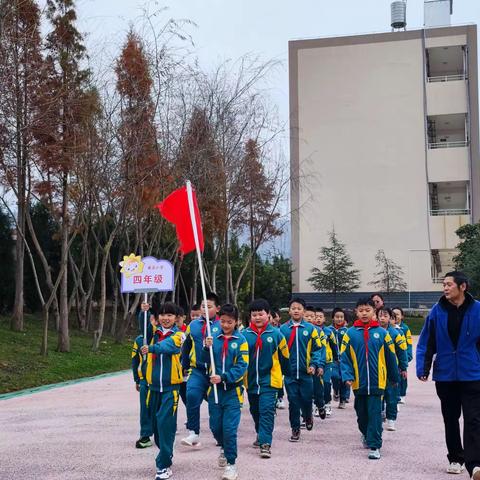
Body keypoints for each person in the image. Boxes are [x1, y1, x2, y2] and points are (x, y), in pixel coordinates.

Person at [416, 271, 480, 479]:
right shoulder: (437, 311)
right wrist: (423, 367)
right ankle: (455, 458)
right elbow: (427, 341)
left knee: (474, 418)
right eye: (443, 284)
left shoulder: (478, 310)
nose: (445, 288)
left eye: (449, 284)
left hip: (472, 373)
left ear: (463, 287)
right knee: (450, 418)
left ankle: (475, 464)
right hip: (445, 375)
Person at [340, 297, 399, 460]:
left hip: (377, 382)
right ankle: (366, 433)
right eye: (361, 310)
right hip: (358, 383)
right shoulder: (350, 334)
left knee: (374, 414)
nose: (364, 313)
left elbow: (391, 357)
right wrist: (347, 375)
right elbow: (344, 357)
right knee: (361, 414)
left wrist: (394, 377)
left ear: (374, 312)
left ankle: (375, 445)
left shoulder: (382, 334)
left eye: (368, 310)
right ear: (356, 312)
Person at [203, 303, 249, 480]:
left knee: (229, 429)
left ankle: (231, 464)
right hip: (214, 391)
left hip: (232, 392)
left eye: (229, 322)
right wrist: (206, 348)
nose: (225, 325)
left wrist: (223, 377)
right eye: (222, 321)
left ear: (236, 322)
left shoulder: (241, 342)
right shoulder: (213, 337)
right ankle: (222, 446)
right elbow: (205, 360)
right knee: (215, 427)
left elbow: (241, 367)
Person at [140, 302, 185, 480]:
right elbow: (142, 327)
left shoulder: (180, 335)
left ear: (176, 318)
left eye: (170, 315)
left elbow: (170, 347)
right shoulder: (152, 333)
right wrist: (144, 313)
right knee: (157, 427)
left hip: (170, 389)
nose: (166, 318)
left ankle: (163, 465)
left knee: (166, 425)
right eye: (163, 315)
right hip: (153, 389)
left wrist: (151, 348)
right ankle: (166, 453)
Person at [243, 299, 290, 458]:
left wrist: (285, 375)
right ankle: (260, 433)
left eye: (261, 314)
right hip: (250, 382)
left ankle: (265, 443)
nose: (257, 317)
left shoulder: (276, 334)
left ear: (268, 315)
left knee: (267, 411)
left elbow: (285, 356)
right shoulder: (244, 335)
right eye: (254, 314)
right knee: (255, 410)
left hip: (270, 381)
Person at [280, 297, 325, 442]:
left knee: (306, 399)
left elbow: (317, 349)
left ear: (304, 311)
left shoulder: (311, 329)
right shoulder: (283, 329)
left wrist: (314, 364)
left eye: (299, 308)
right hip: (290, 373)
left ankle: (308, 416)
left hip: (306, 373)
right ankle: (295, 428)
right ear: (289, 311)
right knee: (293, 401)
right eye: (293, 308)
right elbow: (279, 350)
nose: (296, 310)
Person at [181, 292, 221, 447]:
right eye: (203, 306)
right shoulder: (193, 326)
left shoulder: (222, 325)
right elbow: (186, 346)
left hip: (215, 372)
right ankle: (193, 433)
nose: (205, 309)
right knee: (191, 396)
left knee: (215, 403)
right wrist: (184, 365)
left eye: (209, 306)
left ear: (217, 309)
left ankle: (219, 433)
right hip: (197, 370)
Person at [378, 307, 408, 432]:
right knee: (378, 395)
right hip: (378, 369)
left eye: (385, 316)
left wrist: (403, 367)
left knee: (391, 395)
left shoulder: (396, 334)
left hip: (392, 369)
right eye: (380, 315)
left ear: (390, 318)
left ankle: (391, 419)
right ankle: (379, 415)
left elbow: (402, 352)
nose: (382, 318)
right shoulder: (374, 332)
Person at [131, 315, 155, 449]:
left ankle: (162, 432)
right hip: (145, 380)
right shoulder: (139, 340)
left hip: (160, 380)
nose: (150, 324)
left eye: (152, 320)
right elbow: (135, 360)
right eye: (148, 320)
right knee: (145, 408)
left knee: (160, 408)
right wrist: (137, 379)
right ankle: (145, 435)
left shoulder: (162, 338)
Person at [392, 306, 413, 404]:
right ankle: (395, 395)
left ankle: (402, 394)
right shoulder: (389, 328)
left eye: (397, 314)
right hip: (393, 357)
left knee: (403, 375)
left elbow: (408, 343)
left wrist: (408, 355)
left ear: (402, 316)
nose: (395, 316)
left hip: (402, 355)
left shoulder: (405, 328)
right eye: (393, 314)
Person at [330, 307, 349, 408]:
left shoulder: (347, 331)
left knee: (344, 379)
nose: (339, 319)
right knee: (334, 376)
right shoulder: (329, 330)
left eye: (341, 317)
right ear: (333, 318)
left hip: (344, 359)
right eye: (337, 317)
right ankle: (335, 390)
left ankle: (342, 399)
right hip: (333, 359)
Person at [269, 309, 286, 409]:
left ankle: (279, 397)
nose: (274, 321)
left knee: (278, 380)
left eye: (275, 318)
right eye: (272, 318)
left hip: (278, 362)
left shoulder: (280, 331)